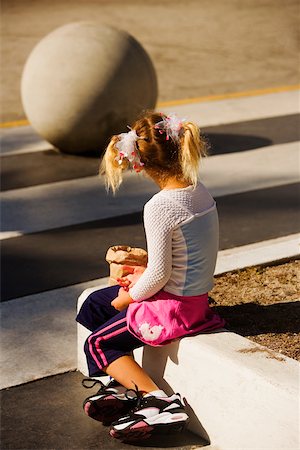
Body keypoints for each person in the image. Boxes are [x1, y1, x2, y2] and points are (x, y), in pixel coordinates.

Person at [76, 111, 225, 442]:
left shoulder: (161, 205)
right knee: (93, 307)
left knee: (98, 342)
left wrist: (125, 297)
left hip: (173, 307)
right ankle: (121, 384)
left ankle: (157, 399)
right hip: (191, 296)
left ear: (138, 164)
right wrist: (133, 283)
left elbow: (159, 273)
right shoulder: (197, 189)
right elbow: (177, 260)